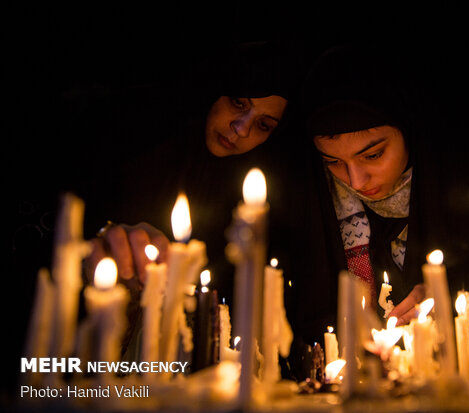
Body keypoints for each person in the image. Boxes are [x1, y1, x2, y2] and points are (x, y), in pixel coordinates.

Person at [78, 40, 303, 357]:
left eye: (263, 125)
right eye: (238, 102)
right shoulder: (140, 140)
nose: (240, 129)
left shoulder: (264, 193)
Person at [287, 42, 448, 351]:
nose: (356, 181)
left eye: (373, 155)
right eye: (333, 162)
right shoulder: (315, 204)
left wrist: (446, 293)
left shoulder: (450, 193)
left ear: (409, 132)